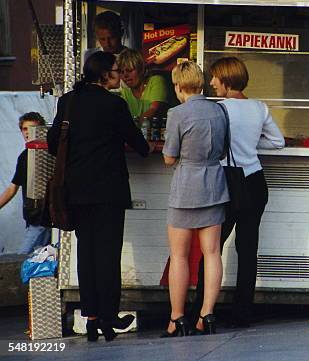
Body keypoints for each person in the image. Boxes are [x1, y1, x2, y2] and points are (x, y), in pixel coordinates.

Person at [47, 51, 149, 342]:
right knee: (107, 255)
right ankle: (108, 317)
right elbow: (139, 145)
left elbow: (55, 144)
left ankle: (90, 317)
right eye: (116, 70)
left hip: (76, 190)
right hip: (108, 191)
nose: (119, 74)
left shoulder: (67, 102)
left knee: (87, 254)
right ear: (104, 74)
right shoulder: (114, 104)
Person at [192, 57, 284, 328]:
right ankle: (243, 312)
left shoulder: (217, 110)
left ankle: (202, 309)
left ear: (226, 80)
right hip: (254, 182)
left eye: (214, 78)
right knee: (248, 249)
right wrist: (252, 148)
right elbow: (277, 142)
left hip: (225, 183)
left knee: (212, 248)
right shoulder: (259, 107)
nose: (210, 83)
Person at [161, 61, 228, 337]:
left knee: (179, 254)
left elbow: (169, 157)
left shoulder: (177, 113)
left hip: (186, 187)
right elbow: (223, 150)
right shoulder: (220, 110)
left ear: (178, 86)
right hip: (215, 184)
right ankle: (207, 314)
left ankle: (177, 318)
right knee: (212, 253)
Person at [0, 112, 51, 255]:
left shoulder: (47, 154)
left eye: (33, 128)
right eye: (25, 129)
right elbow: (12, 188)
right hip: (33, 220)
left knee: (22, 260)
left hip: (42, 220)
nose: (28, 133)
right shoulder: (25, 156)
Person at [117, 48, 174, 120]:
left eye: (130, 70)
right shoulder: (125, 92)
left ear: (141, 69)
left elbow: (153, 110)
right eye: (122, 72)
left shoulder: (156, 81)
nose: (125, 75)